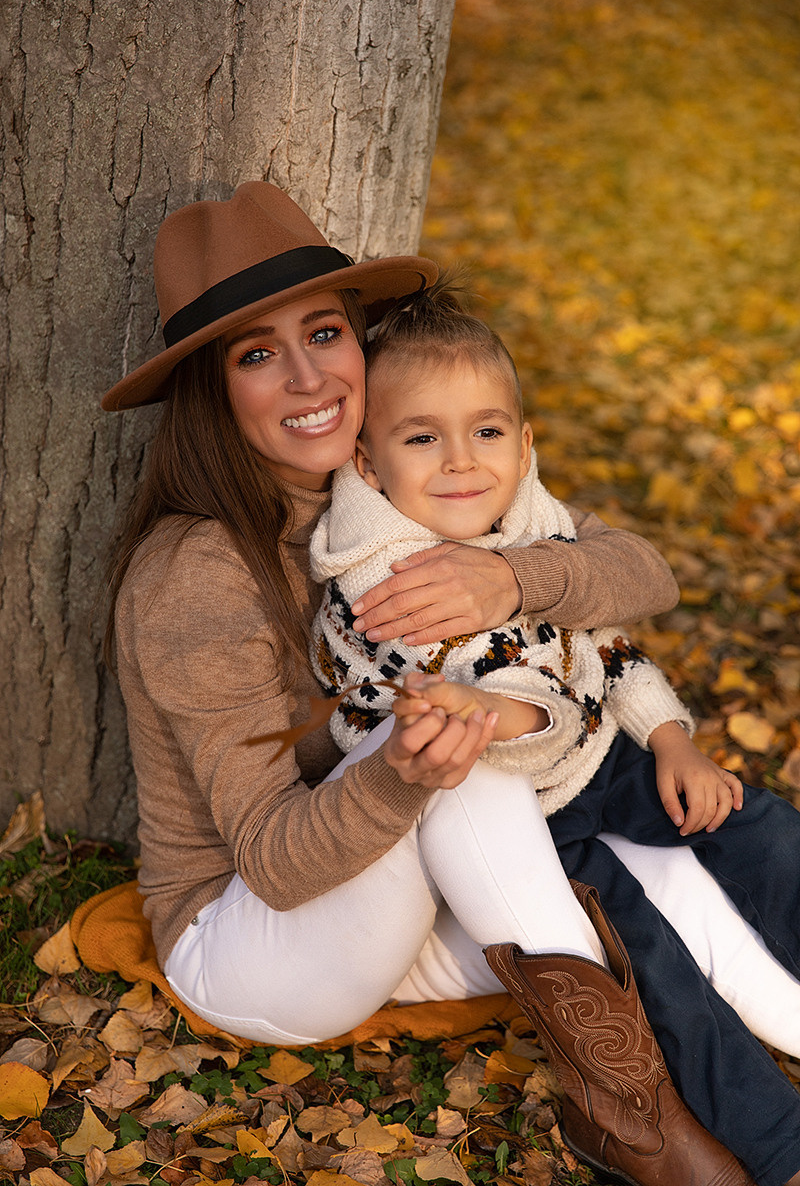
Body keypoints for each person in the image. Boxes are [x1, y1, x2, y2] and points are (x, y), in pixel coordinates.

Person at [99, 180, 787, 1186]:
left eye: (323, 334)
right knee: (467, 763)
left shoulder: (404, 476)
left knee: (661, 872)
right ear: (214, 390)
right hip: (257, 938)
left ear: (362, 342)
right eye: (256, 356)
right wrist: (409, 767)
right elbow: (278, 864)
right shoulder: (197, 575)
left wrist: (511, 576)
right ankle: (648, 1135)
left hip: (407, 889)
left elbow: (637, 574)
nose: (304, 378)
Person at [308, 279, 800, 1185]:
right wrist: (482, 712)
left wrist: (672, 740)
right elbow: (402, 709)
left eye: (488, 431)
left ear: (526, 443)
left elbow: (606, 652)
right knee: (651, 967)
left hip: (602, 760)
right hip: (520, 829)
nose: (464, 462)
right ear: (369, 465)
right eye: (423, 438)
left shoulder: (536, 525)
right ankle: (778, 1148)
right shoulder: (379, 587)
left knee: (759, 827)